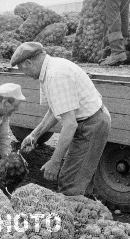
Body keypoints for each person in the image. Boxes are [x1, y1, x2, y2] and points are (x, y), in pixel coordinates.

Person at [11, 42, 111, 196]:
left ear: (29, 63)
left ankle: (77, 212)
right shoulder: (48, 70)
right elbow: (55, 109)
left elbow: (70, 124)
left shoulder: (56, 76)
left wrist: (55, 161)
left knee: (70, 182)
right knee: (78, 177)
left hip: (91, 124)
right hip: (87, 122)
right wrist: (34, 135)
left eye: (23, 71)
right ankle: (84, 207)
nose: (26, 76)